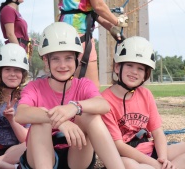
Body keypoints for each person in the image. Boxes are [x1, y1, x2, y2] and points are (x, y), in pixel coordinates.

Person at [15, 22, 125, 169]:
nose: (63, 65)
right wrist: (59, 121)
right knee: (40, 122)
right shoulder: (35, 87)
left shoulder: (83, 84)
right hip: (41, 157)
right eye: (56, 59)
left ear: (76, 59)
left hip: (76, 156)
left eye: (68, 58)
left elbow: (103, 105)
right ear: (46, 61)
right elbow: (21, 114)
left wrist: (75, 107)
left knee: (89, 114)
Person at [101, 36, 185, 169]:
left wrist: (162, 158)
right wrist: (154, 164)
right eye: (129, 65)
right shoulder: (105, 100)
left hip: (150, 150)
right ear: (117, 67)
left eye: (140, 68)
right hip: (125, 156)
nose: (134, 71)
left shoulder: (145, 94)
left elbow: (157, 132)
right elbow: (118, 145)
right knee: (130, 166)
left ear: (146, 73)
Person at [58, 0, 129, 88]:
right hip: (80, 38)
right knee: (92, 90)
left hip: (62, 36)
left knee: (68, 88)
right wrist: (118, 21)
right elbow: (98, 6)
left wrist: (111, 28)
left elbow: (86, 10)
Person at [0, 43, 30, 169]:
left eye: (17, 70)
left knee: (33, 142)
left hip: (15, 151)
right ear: (0, 73)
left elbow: (25, 138)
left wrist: (12, 120)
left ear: (22, 74)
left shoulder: (27, 97)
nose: (12, 74)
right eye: (7, 69)